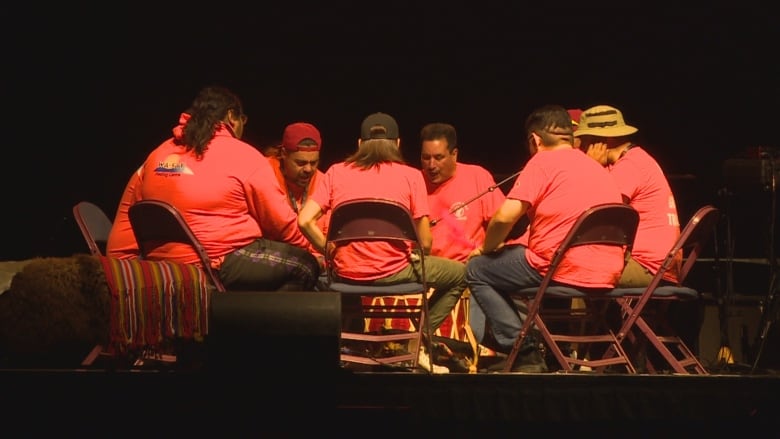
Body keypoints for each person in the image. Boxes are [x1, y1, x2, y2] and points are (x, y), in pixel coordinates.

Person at [298, 112, 467, 373]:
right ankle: (419, 340)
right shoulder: (411, 176)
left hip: (346, 273)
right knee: (461, 275)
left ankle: (350, 348)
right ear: (398, 144)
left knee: (342, 277)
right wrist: (417, 255)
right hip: (395, 273)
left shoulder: (335, 172)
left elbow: (304, 221)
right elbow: (425, 241)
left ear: (359, 144)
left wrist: (327, 252)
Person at [106, 85, 320, 291]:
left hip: (162, 267)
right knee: (305, 267)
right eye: (242, 119)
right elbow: (281, 225)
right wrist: (315, 252)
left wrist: (123, 270)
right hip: (216, 264)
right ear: (231, 117)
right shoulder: (243, 155)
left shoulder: (156, 156)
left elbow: (126, 217)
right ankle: (254, 326)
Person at [465, 104, 624, 373]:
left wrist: (487, 248)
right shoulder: (596, 167)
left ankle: (524, 350)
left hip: (561, 268)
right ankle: (531, 348)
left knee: (478, 270)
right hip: (608, 271)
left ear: (535, 140)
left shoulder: (542, 161)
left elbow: (504, 217)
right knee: (507, 265)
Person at [419, 122, 521, 363]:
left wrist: (488, 250)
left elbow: (502, 221)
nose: (431, 166)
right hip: (431, 269)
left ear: (455, 154)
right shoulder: (414, 181)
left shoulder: (477, 176)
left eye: (438, 157)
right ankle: (416, 341)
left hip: (471, 269)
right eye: (425, 158)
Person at [576, 104, 681, 287]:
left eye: (585, 141)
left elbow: (593, 213)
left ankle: (580, 317)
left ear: (602, 141)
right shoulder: (635, 159)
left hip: (648, 268)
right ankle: (588, 317)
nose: (583, 148)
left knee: (570, 270)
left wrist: (590, 167)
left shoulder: (629, 166)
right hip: (655, 266)